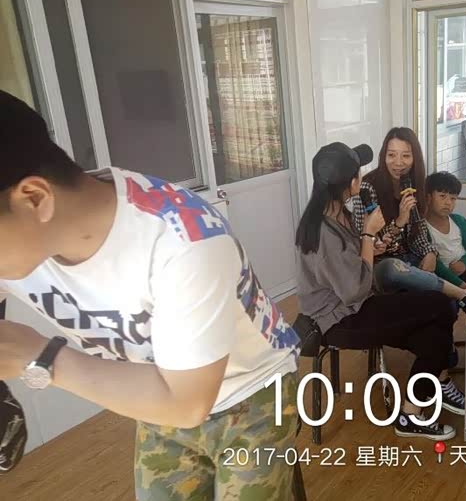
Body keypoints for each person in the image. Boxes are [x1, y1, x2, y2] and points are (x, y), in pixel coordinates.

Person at [0, 91, 300, 500]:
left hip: (253, 389)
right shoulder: (22, 241)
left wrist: (42, 357)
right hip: (158, 391)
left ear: (34, 198)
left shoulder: (183, 242)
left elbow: (186, 403)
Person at [296, 141, 466, 440]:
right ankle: (434, 386)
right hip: (340, 320)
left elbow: (353, 265)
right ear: (350, 182)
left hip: (358, 304)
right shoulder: (323, 232)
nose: (362, 179)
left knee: (433, 334)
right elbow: (354, 291)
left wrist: (371, 246)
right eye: (358, 174)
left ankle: (411, 413)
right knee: (440, 306)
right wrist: (368, 234)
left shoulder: (336, 213)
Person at [351, 127, 466, 306]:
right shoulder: (367, 188)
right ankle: (460, 293)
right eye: (391, 155)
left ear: (415, 158)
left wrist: (429, 253)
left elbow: (419, 229)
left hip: (409, 258)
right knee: (394, 268)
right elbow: (371, 243)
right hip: (381, 264)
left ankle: (456, 292)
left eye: (406, 156)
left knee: (443, 305)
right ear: (384, 156)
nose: (398, 163)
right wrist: (400, 222)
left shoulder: (413, 184)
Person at [425, 172, 466, 289]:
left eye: (453, 198)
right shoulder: (423, 228)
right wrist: (461, 285)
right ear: (428, 198)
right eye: (442, 196)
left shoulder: (459, 221)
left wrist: (464, 263)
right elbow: (436, 266)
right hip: (445, 278)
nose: (448, 203)